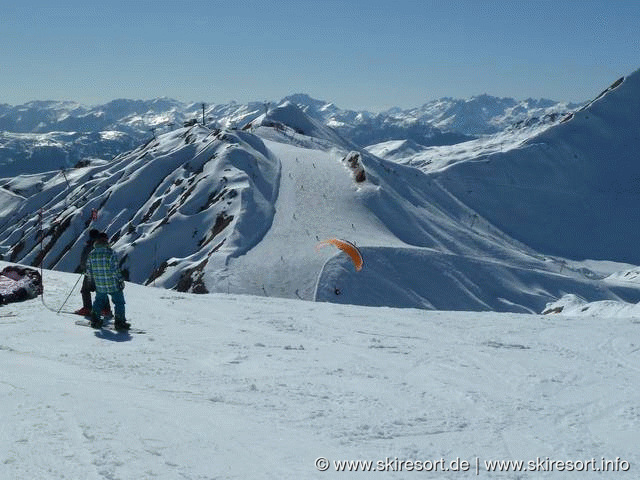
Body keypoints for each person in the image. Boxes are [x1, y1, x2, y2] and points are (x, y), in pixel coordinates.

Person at [85, 233, 130, 330]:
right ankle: (119, 322)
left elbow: (89, 271)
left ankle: (95, 319)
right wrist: (120, 280)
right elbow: (115, 269)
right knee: (119, 302)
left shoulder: (91, 254)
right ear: (106, 242)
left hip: (99, 284)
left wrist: (91, 282)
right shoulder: (110, 253)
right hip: (112, 284)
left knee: (99, 301)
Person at [74, 229, 112, 317]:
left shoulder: (90, 246)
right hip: (102, 273)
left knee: (85, 290)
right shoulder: (104, 246)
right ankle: (106, 309)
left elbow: (84, 259)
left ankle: (87, 308)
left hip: (90, 272)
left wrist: (84, 268)